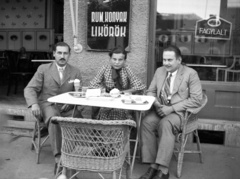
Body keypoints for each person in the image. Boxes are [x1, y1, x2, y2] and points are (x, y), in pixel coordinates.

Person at [139, 45, 202, 179]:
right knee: (147, 122)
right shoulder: (159, 71)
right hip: (161, 109)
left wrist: (171, 108)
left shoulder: (190, 73)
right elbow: (151, 91)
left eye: (169, 60)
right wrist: (156, 104)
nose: (166, 63)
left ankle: (163, 169)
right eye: (164, 60)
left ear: (179, 60)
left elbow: (197, 99)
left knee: (165, 124)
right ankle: (153, 165)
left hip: (179, 113)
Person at [24, 42, 82, 173]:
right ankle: (59, 159)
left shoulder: (75, 71)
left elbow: (78, 94)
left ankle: (70, 155)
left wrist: (72, 103)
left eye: (65, 53)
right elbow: (30, 88)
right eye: (59, 53)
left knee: (77, 118)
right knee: (54, 119)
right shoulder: (43, 69)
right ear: (54, 54)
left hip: (67, 107)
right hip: (48, 105)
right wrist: (34, 104)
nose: (62, 56)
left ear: (69, 55)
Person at [89, 46, 146, 120]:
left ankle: (123, 130)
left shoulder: (127, 69)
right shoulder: (105, 68)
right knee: (103, 112)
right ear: (110, 59)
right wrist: (104, 91)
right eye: (114, 59)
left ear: (125, 60)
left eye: (120, 60)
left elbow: (139, 86)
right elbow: (93, 84)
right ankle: (101, 129)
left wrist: (122, 92)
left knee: (121, 114)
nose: (117, 62)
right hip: (108, 99)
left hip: (122, 100)